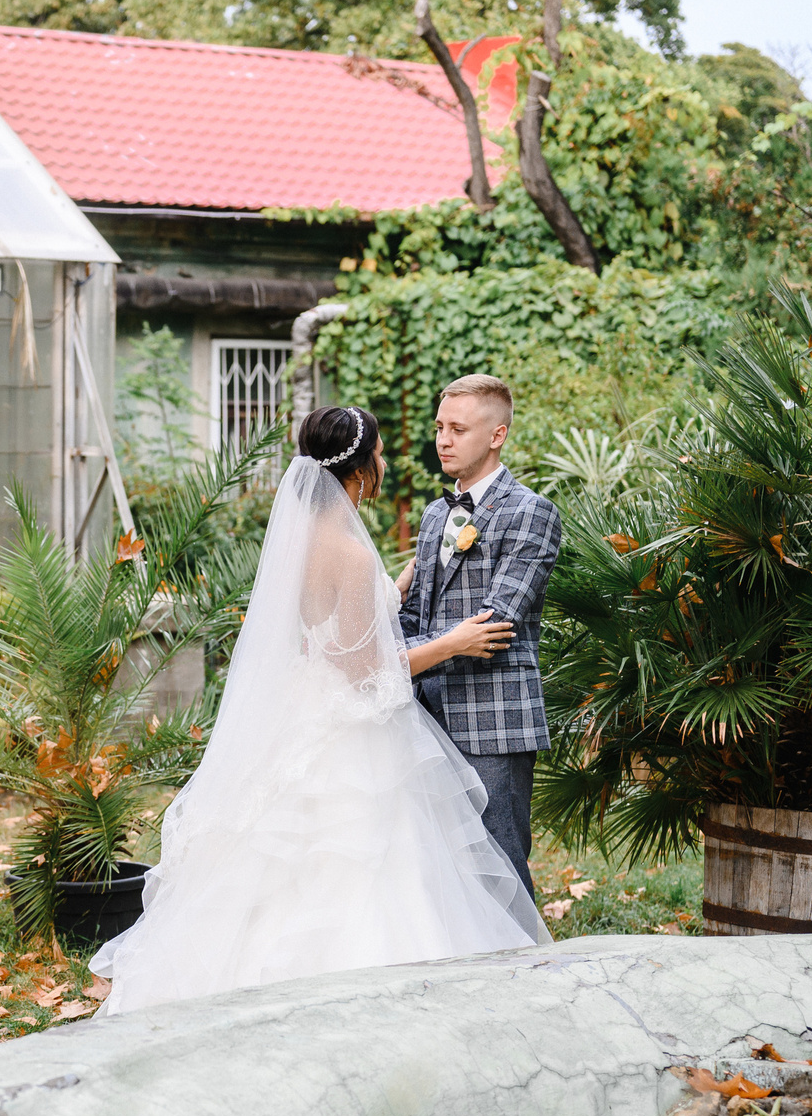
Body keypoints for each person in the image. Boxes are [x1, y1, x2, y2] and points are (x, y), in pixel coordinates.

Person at [91, 404, 547, 1013]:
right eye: (379, 454)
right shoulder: (350, 554)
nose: (385, 462)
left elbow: (331, 631)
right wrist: (452, 643)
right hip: (352, 728)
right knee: (364, 862)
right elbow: (365, 672)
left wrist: (393, 589)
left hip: (308, 710)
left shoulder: (301, 542)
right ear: (358, 471)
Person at [395, 374, 563, 900]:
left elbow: (495, 624)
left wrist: (403, 658)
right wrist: (390, 656)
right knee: (436, 868)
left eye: (458, 429)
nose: (443, 440)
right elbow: (415, 614)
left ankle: (524, 954)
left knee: (499, 867)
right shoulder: (434, 516)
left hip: (493, 718)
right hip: (423, 719)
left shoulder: (531, 512)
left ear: (497, 435)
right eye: (439, 427)